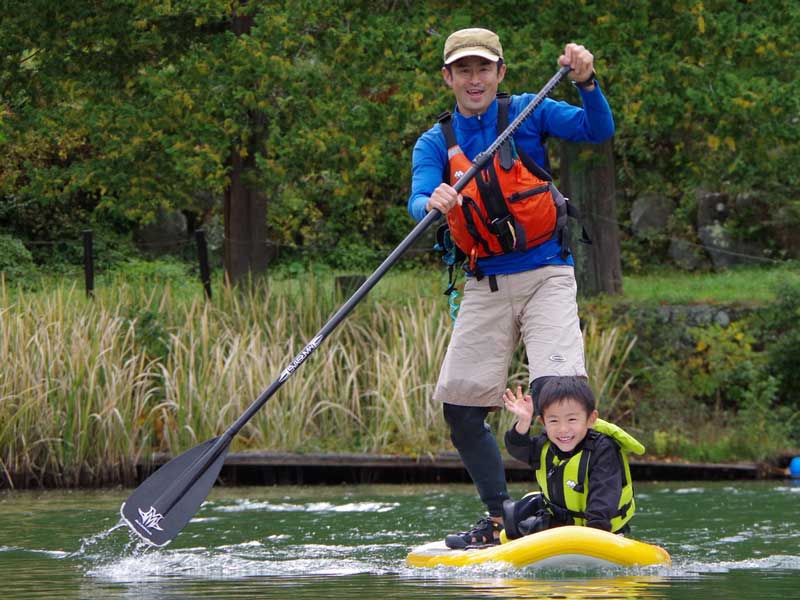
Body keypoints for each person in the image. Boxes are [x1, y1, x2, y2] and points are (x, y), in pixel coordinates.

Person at [406, 27, 615, 549]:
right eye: (463, 70)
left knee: (563, 395)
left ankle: (579, 512)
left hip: (547, 273)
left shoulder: (529, 111)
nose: (474, 80)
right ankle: (500, 516)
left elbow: (597, 129)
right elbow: (416, 203)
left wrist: (587, 82)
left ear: (500, 73)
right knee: (459, 409)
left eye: (484, 69)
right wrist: (432, 202)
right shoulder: (435, 141)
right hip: (486, 281)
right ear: (448, 78)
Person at [502, 376, 643, 538]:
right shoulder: (544, 445)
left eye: (572, 420)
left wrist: (594, 535)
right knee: (512, 518)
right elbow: (517, 449)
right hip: (560, 521)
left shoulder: (604, 450)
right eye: (553, 421)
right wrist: (524, 422)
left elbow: (604, 497)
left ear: (590, 419)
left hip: (602, 528)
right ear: (543, 422)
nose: (563, 429)